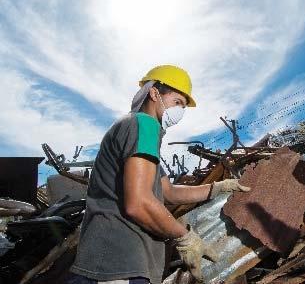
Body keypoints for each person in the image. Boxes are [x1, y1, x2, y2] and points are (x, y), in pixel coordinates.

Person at [68, 65, 250, 284]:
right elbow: (139, 203)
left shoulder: (134, 131)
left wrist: (218, 188)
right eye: (177, 102)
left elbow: (169, 192)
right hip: (118, 265)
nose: (180, 112)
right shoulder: (143, 124)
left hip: (109, 264)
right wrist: (185, 237)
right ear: (154, 93)